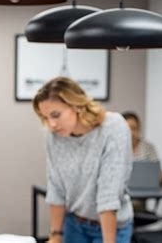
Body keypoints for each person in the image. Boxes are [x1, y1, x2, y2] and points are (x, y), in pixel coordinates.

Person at [32, 77, 133, 243]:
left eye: (56, 115)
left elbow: (108, 195)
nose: (51, 124)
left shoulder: (113, 128)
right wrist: (55, 235)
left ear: (77, 105)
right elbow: (56, 187)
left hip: (112, 226)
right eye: (45, 117)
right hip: (75, 224)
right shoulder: (54, 136)